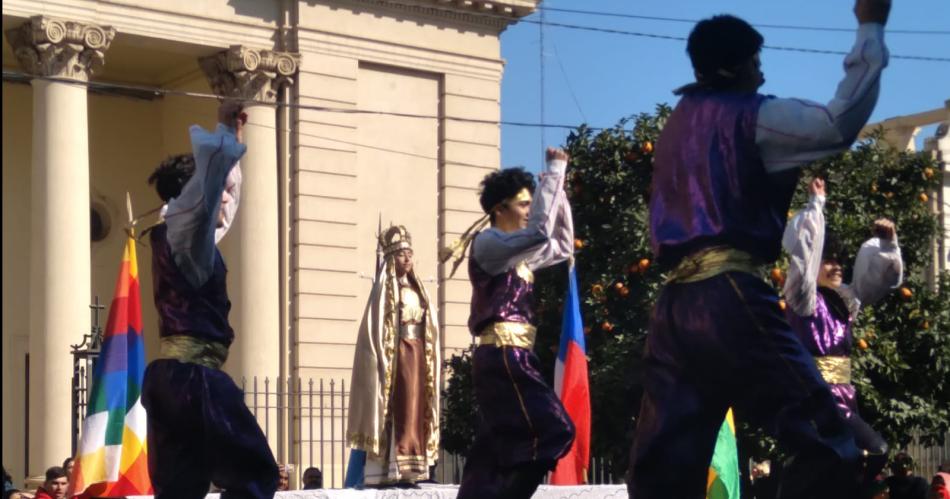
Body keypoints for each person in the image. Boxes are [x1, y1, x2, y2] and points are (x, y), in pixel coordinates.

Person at [628, 0, 892, 497]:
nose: (762, 71)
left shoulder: (676, 126)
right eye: (756, 61)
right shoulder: (755, 117)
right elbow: (839, 125)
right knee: (832, 437)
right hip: (730, 295)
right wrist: (870, 28)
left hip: (673, 308)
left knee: (665, 465)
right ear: (737, 65)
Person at [141, 100, 279, 499]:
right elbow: (200, 203)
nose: (224, 199)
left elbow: (223, 205)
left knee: (181, 486)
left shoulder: (185, 242)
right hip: (195, 380)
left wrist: (231, 136)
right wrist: (221, 143)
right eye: (217, 192)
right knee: (255, 473)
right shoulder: (185, 231)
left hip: (170, 379)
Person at [451, 148, 575, 499]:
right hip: (505, 355)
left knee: (496, 447)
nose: (529, 212)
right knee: (555, 429)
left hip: (510, 356)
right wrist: (553, 172)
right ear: (500, 209)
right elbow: (539, 233)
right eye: (523, 205)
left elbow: (562, 245)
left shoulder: (517, 256)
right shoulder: (489, 244)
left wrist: (558, 189)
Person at [783, 177, 902, 484]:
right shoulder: (803, 301)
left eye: (839, 262)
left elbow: (875, 282)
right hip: (817, 398)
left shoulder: (846, 303)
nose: (837, 267)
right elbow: (803, 255)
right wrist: (815, 205)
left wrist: (887, 244)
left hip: (844, 396)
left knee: (852, 464)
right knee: (868, 453)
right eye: (829, 262)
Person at [346, 225, 441, 487]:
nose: (407, 258)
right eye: (401, 254)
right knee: (400, 407)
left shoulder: (418, 290)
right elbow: (377, 331)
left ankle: (413, 468)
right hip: (398, 355)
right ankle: (391, 467)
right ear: (390, 259)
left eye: (410, 253)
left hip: (418, 353)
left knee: (416, 407)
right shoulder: (385, 293)